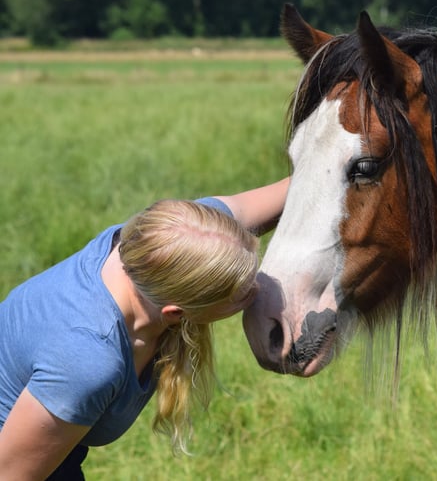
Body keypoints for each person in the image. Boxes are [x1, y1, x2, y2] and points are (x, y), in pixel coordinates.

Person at [0, 177, 290, 481]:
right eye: (242, 296)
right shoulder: (88, 361)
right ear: (176, 313)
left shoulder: (164, 244)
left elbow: (296, 188)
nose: (257, 290)